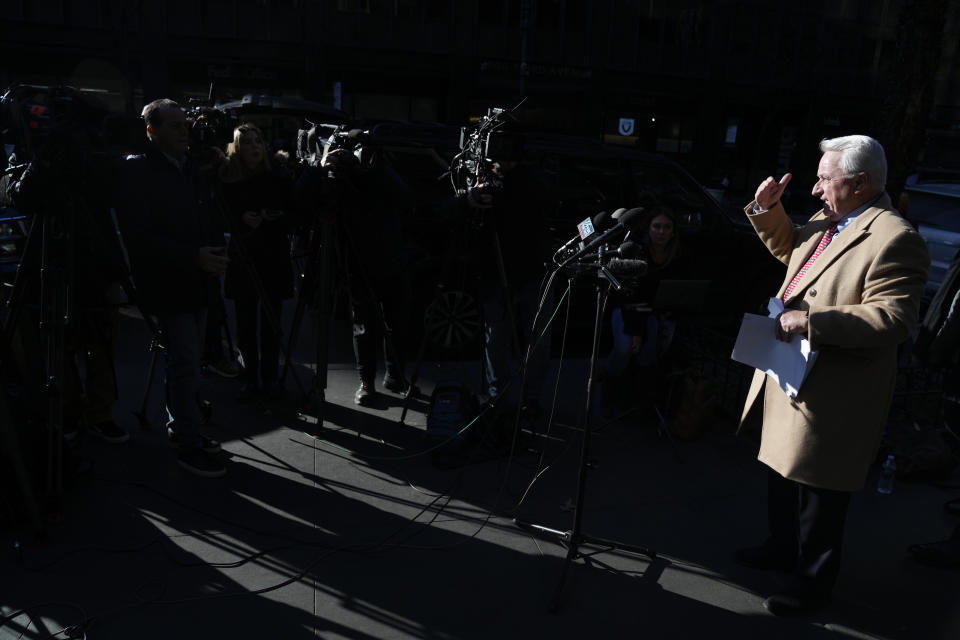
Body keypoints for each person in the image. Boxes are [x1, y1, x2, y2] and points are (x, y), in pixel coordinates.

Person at [735, 135, 929, 615]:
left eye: (826, 179)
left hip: (834, 387)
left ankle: (812, 583)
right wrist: (768, 213)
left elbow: (895, 318)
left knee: (820, 491)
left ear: (860, 183)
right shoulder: (831, 220)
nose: (817, 190)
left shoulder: (896, 236)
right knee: (780, 469)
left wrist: (815, 323)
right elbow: (793, 255)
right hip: (793, 371)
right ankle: (780, 548)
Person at [114, 98, 227, 478]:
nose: (184, 131)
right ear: (153, 130)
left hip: (200, 279)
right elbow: (140, 237)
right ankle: (188, 443)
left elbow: (206, 214)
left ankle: (184, 429)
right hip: (168, 284)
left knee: (191, 363)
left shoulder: (191, 167)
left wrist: (214, 250)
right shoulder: (138, 171)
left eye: (185, 124)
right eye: (175, 125)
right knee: (183, 362)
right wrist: (193, 256)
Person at [295, 135, 413, 406]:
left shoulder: (380, 171)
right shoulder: (339, 176)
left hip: (392, 257)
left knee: (396, 321)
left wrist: (375, 166)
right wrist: (320, 166)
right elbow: (304, 202)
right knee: (363, 325)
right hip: (357, 260)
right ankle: (366, 383)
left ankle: (395, 377)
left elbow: (406, 196)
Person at [217, 123, 294, 403]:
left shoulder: (279, 175)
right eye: (247, 142)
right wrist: (241, 220)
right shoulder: (228, 178)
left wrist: (274, 216)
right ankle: (250, 379)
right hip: (244, 257)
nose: (254, 147)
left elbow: (294, 213)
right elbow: (220, 214)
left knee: (272, 323)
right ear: (238, 148)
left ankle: (271, 378)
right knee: (246, 323)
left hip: (273, 255)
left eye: (258, 141)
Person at [601, 205, 686, 409]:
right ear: (648, 229)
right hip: (629, 310)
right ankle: (608, 384)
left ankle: (638, 396)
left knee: (653, 350)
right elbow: (628, 296)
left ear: (673, 231)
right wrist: (637, 331)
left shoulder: (679, 256)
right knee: (624, 347)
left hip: (657, 312)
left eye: (666, 227)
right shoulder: (635, 250)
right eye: (656, 226)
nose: (661, 232)